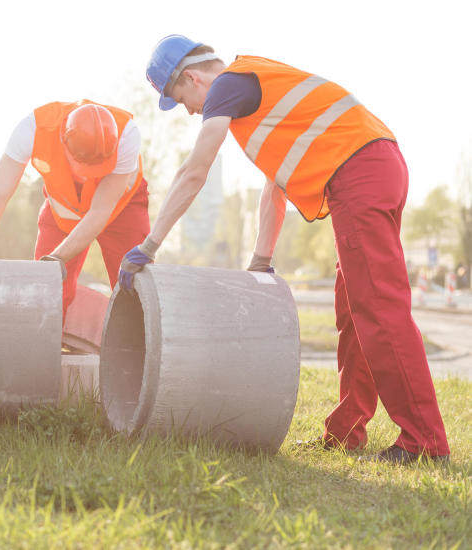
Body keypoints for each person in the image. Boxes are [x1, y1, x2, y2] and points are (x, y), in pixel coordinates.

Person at [119, 34, 449, 464]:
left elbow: (194, 172)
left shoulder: (226, 88)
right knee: (354, 309)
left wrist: (149, 245)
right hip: (375, 164)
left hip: (360, 172)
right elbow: (275, 186)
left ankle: (424, 441)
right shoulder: (259, 89)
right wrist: (261, 260)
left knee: (380, 309)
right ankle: (346, 431)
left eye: (180, 98)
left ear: (192, 78)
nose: (189, 110)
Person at [0, 101, 150, 318]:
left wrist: (56, 258)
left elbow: (100, 210)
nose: (89, 175)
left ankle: (142, 348)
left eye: (95, 168)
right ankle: (43, 347)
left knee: (135, 285)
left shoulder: (127, 134)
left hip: (121, 208)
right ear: (64, 142)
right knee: (46, 289)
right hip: (63, 208)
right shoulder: (32, 130)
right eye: (82, 166)